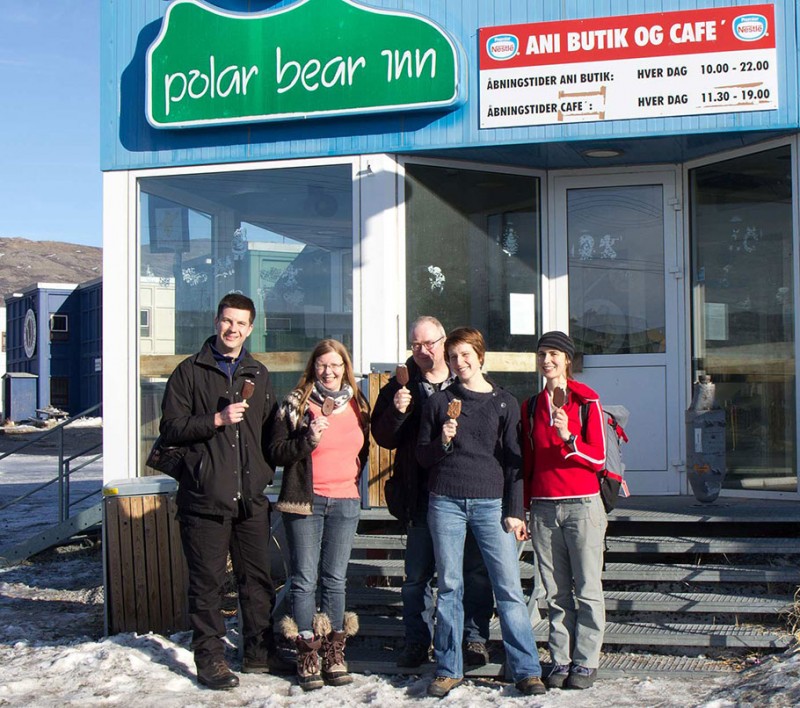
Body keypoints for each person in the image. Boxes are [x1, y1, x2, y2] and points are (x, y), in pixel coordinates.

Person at [158, 293, 283, 690]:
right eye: (228, 321)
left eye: (242, 323)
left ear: (250, 328)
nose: (233, 329)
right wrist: (215, 418)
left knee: (257, 581)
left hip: (250, 499)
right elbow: (172, 429)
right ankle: (209, 659)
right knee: (208, 583)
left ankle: (259, 653)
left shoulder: (258, 374)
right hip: (204, 498)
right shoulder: (189, 372)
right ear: (216, 322)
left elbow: (269, 435)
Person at [417, 327, 545, 699]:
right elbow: (423, 457)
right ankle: (447, 668)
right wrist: (443, 440)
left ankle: (526, 669)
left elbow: (513, 463)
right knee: (450, 586)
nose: (459, 362)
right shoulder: (440, 402)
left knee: (507, 587)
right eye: (453, 357)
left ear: (480, 355)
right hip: (446, 501)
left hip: (491, 503)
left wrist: (515, 510)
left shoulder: (504, 402)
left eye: (465, 354)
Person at [370, 316, 493, 669]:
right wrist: (396, 412)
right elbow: (383, 439)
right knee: (417, 577)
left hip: (465, 491)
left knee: (473, 573)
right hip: (420, 495)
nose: (423, 351)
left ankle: (473, 639)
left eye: (430, 344)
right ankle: (416, 641)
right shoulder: (399, 386)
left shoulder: (467, 380)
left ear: (444, 341)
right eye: (416, 345)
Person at [268, 339, 370, 692]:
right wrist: (307, 440)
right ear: (313, 367)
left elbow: (363, 449)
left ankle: (334, 651)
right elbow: (277, 451)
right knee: (304, 579)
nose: (329, 371)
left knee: (336, 579)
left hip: (345, 500)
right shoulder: (296, 403)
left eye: (336, 365)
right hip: (306, 502)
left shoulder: (359, 404)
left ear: (346, 367)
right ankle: (307, 651)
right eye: (323, 365)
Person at [521, 330, 608, 690]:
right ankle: (560, 658)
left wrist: (570, 435)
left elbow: (599, 458)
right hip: (543, 508)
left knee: (587, 589)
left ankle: (586, 662)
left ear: (567, 359)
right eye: (542, 354)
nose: (547, 360)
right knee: (554, 592)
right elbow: (527, 462)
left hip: (582, 505)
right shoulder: (530, 407)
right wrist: (522, 509)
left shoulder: (586, 401)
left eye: (555, 353)